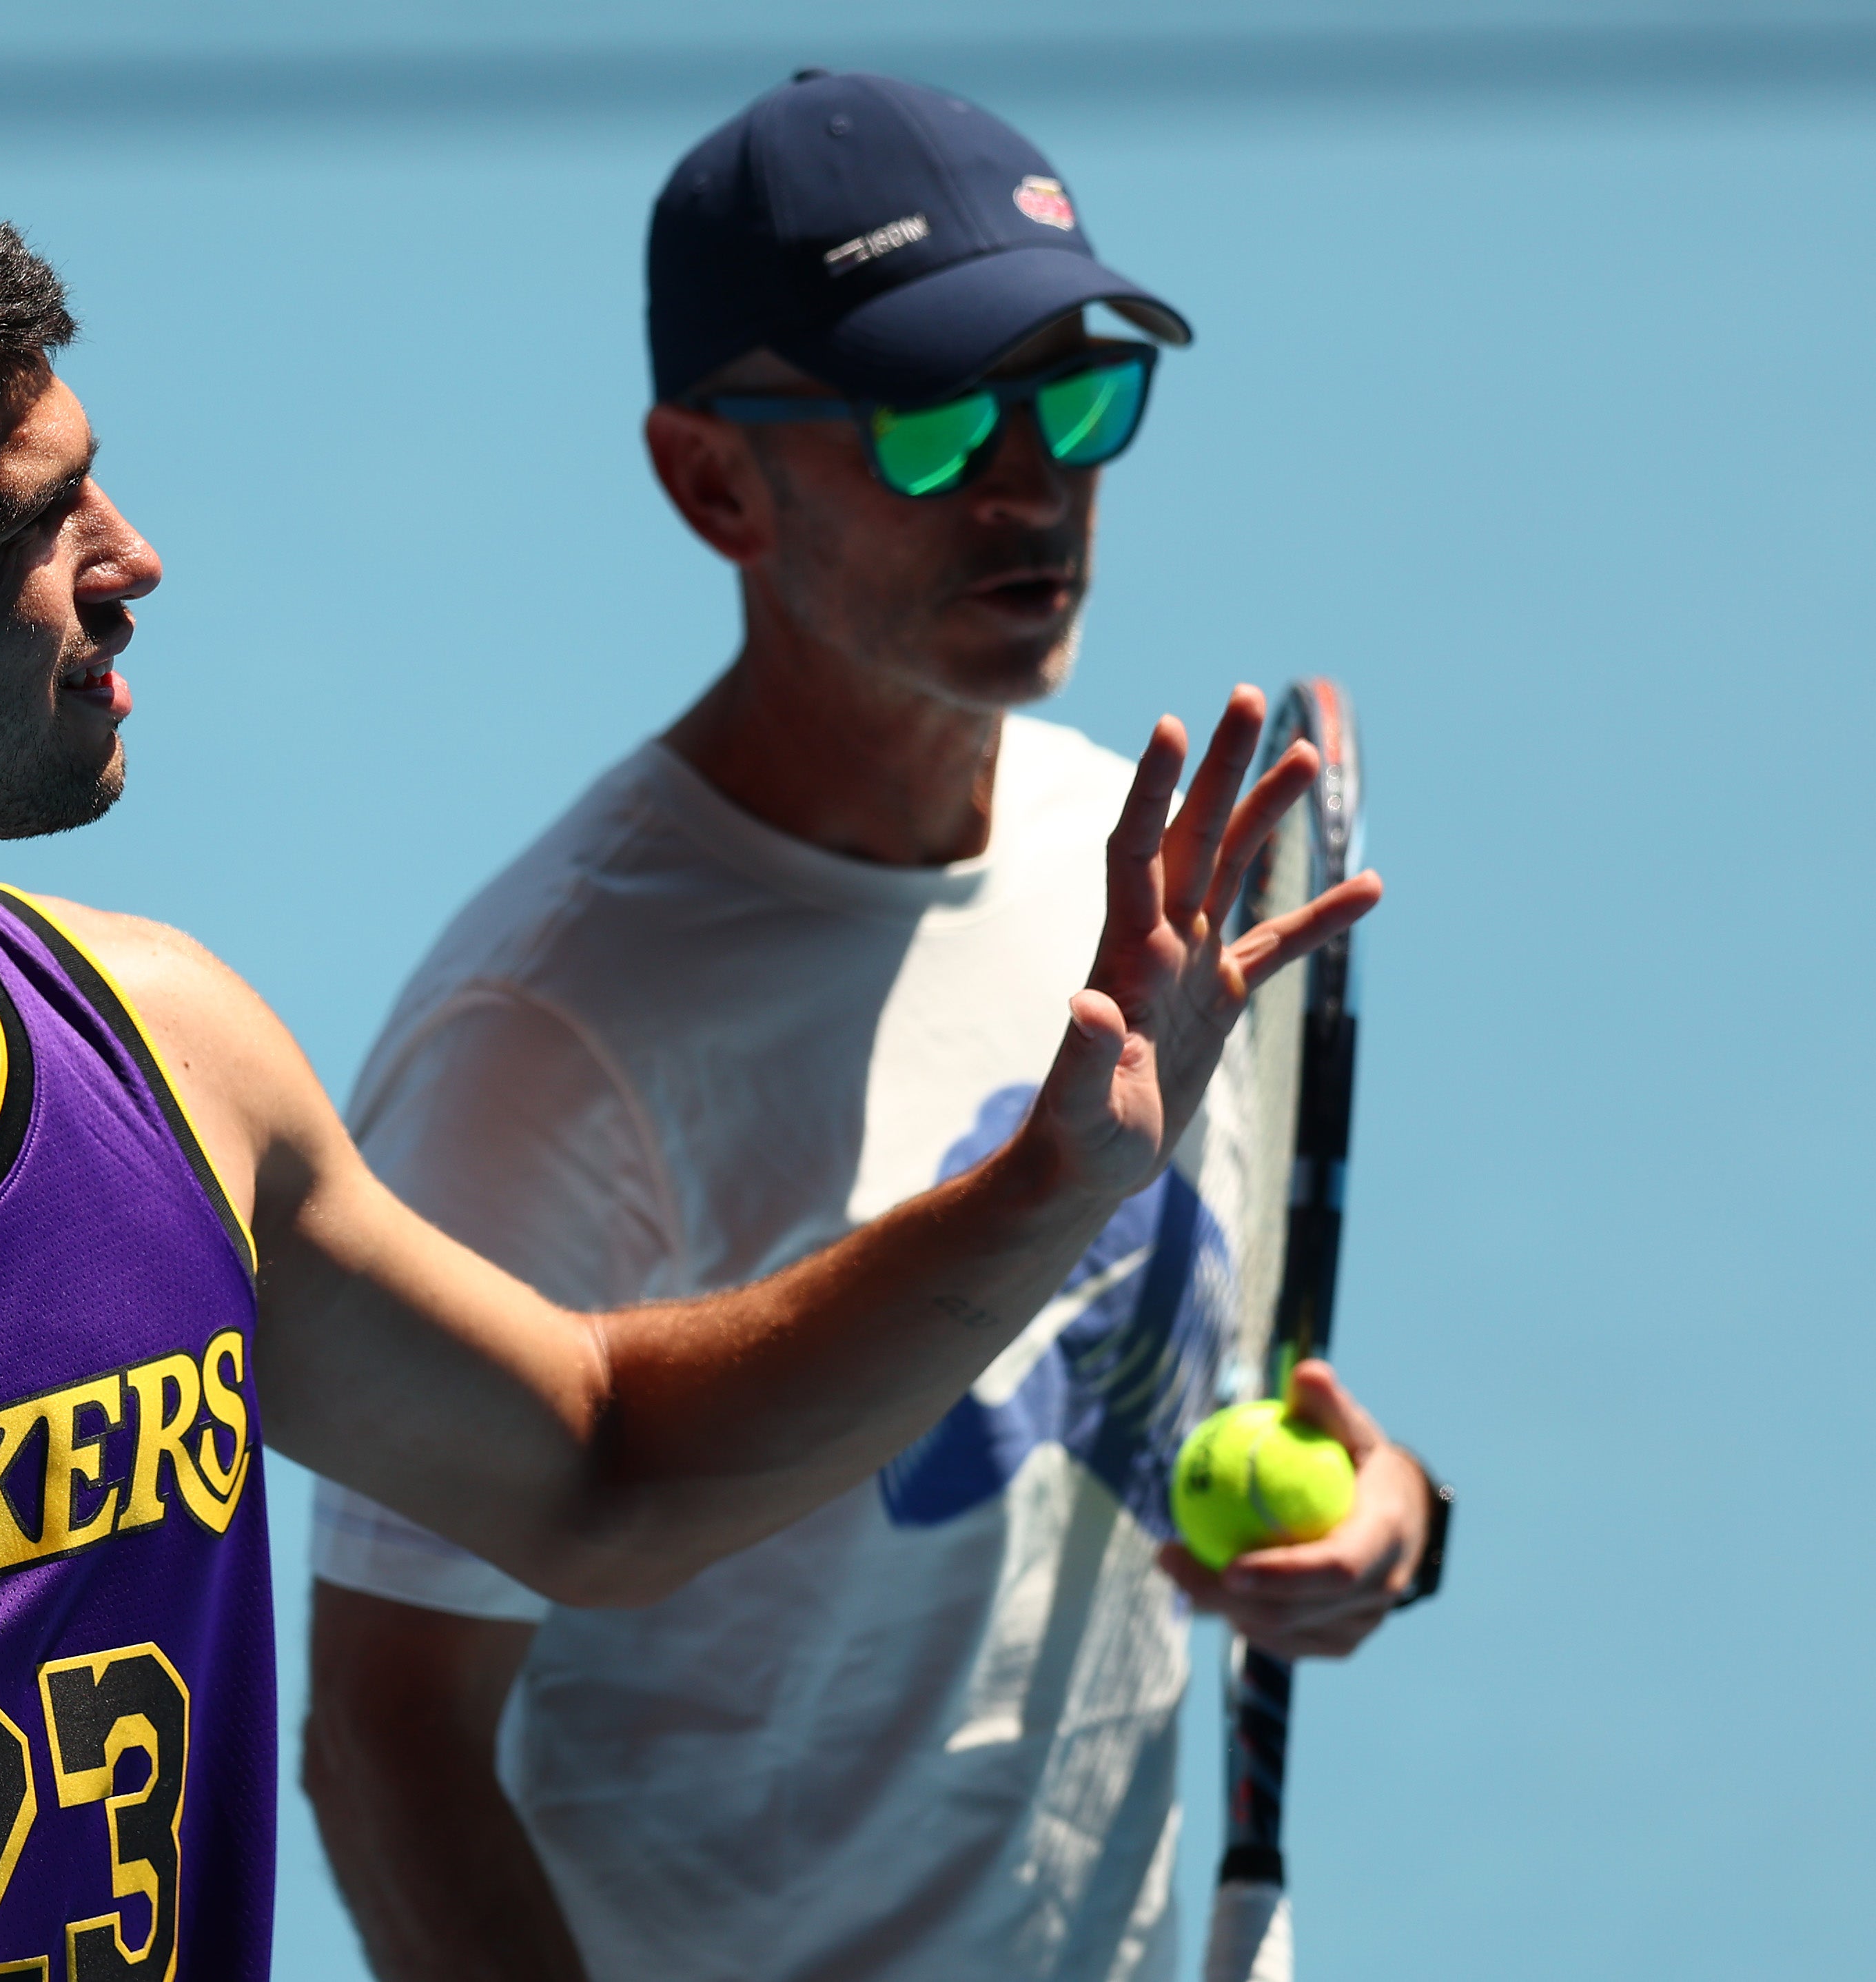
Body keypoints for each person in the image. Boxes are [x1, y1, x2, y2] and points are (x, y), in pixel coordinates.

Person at [0, 170, 1374, 1982]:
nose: (135, 562)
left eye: (103, 482)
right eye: (33, 526)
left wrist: (1058, 1178)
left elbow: (596, 1472)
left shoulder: (166, 1056)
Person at [303, 70, 1443, 1982]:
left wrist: (1383, 1520)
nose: (1028, 483)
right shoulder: (540, 1035)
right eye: (927, 424)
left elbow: (1137, 1389)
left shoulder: (1141, 878)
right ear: (709, 481)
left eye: (1077, 398)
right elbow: (385, 1730)